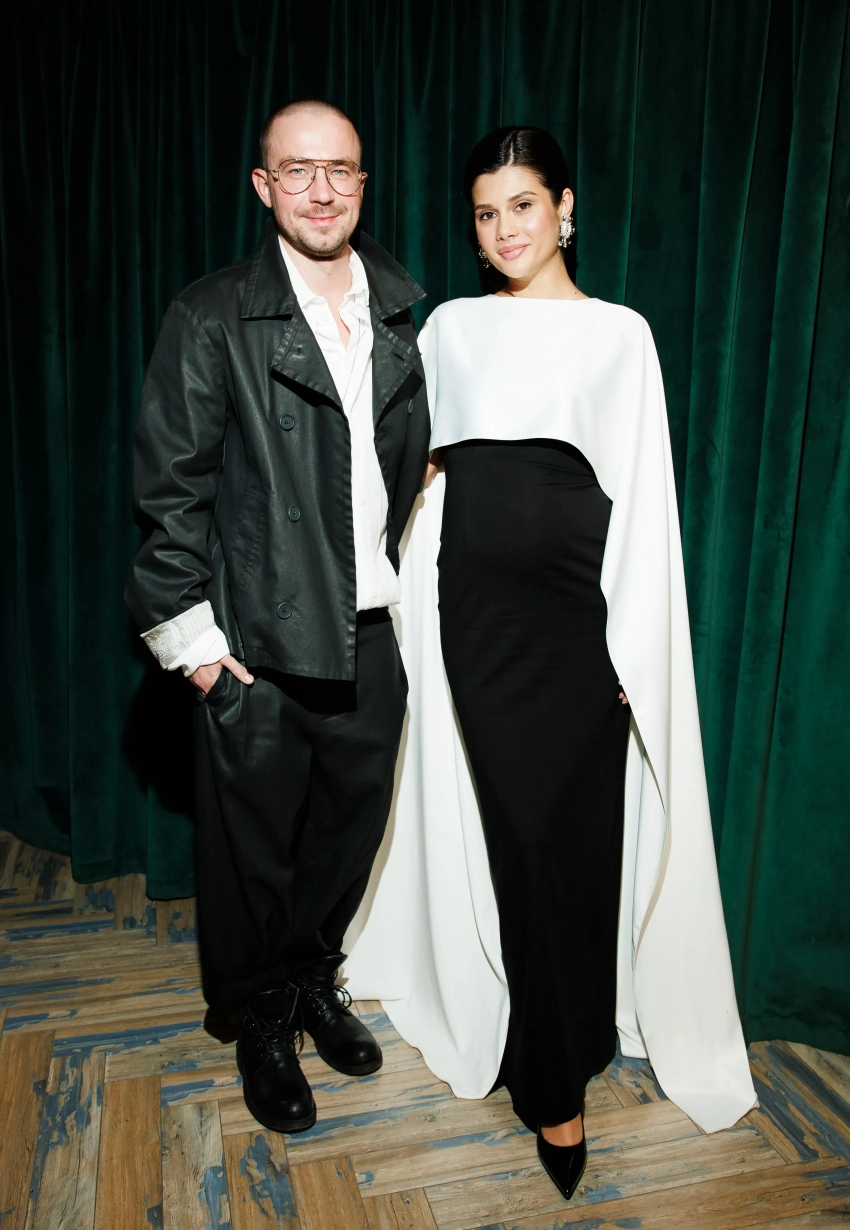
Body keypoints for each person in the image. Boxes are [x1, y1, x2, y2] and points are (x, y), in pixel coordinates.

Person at [345, 126, 756, 1199]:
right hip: (478, 626)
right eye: (486, 213)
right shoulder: (452, 328)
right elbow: (417, 477)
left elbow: (644, 497)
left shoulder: (622, 335)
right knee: (522, 842)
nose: (504, 230)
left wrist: (634, 641)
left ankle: (572, 1040)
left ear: (565, 209)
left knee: (577, 845)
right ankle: (550, 1081)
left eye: (523, 205)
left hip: (581, 625)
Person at [126, 99, 430, 1134]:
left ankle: (309, 981)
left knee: (345, 839)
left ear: (362, 183)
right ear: (264, 187)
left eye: (339, 169)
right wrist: (197, 647)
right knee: (251, 854)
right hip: (256, 640)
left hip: (370, 629)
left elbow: (398, 473)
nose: (320, 190)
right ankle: (260, 1015)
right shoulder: (211, 314)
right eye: (297, 170)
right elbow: (170, 491)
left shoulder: (400, 310)